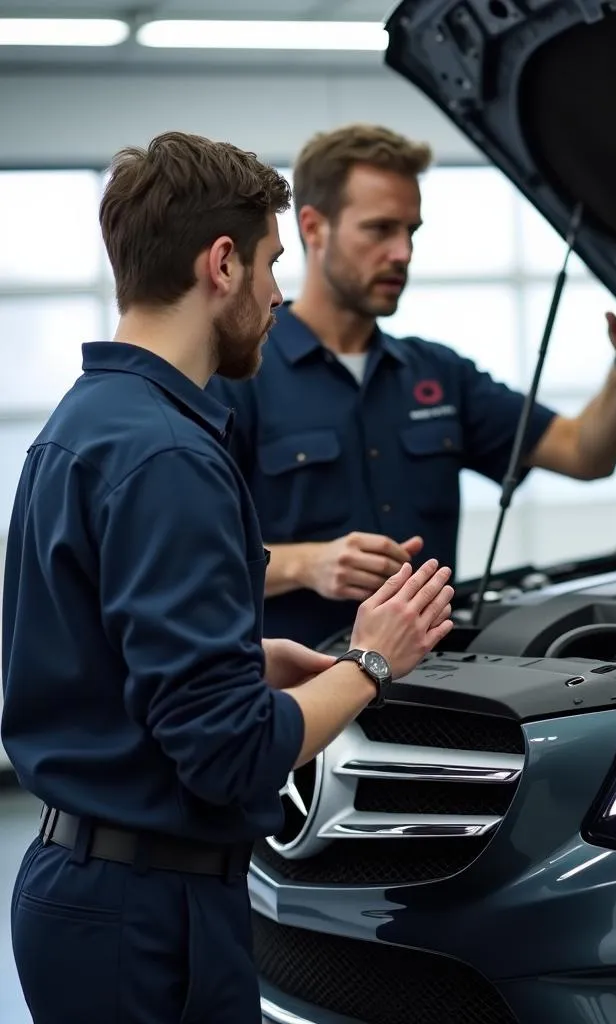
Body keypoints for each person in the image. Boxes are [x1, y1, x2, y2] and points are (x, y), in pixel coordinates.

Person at [0, 130, 455, 1024]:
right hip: (146, 915)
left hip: (90, 887)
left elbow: (98, 644)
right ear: (222, 264)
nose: (280, 294)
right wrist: (372, 661)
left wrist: (241, 658)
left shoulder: (90, 421)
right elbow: (232, 755)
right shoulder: (169, 456)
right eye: (271, 263)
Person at [207, 123, 616, 649]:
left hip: (436, 695)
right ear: (314, 228)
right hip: (300, 699)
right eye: (380, 229)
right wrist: (306, 564)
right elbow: (196, 562)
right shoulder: (239, 377)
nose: (402, 252)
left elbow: (585, 453)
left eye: (411, 231)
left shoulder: (437, 375)